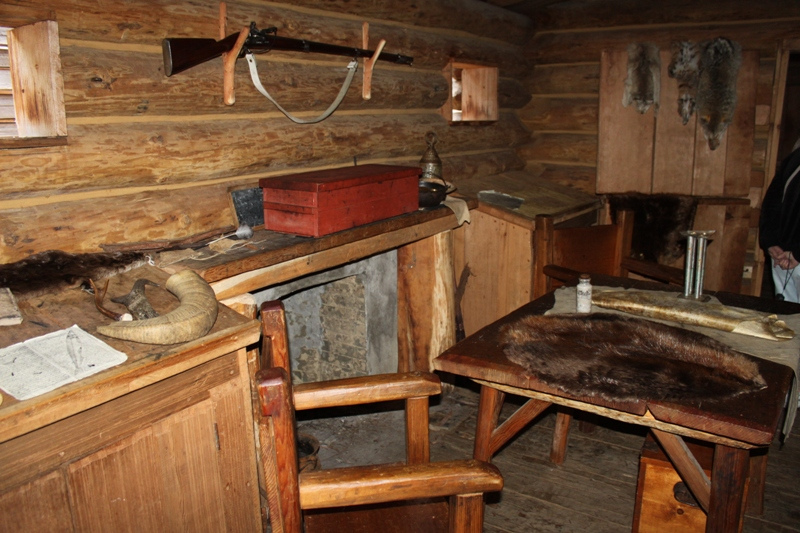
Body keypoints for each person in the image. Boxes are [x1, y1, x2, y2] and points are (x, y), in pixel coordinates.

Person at [760, 137, 800, 301]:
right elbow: (772, 203)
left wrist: (798, 253)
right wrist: (770, 242)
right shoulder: (794, 159)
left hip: (794, 256)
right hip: (783, 256)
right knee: (787, 320)